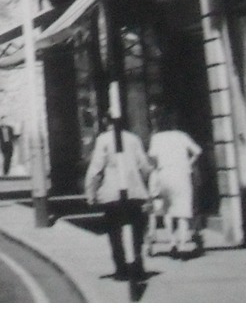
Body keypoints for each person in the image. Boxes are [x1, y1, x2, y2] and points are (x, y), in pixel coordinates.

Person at [84, 112, 152, 281]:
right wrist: (146, 187)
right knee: (137, 232)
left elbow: (96, 168)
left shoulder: (103, 140)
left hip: (112, 194)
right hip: (135, 192)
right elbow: (144, 166)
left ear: (107, 121)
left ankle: (121, 269)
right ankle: (138, 265)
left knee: (115, 233)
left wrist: (90, 193)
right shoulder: (134, 139)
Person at [147, 111, 203, 256]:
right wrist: (188, 164)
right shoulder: (181, 136)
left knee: (168, 210)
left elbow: (152, 158)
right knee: (183, 211)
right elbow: (197, 151)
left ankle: (172, 242)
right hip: (182, 174)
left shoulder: (156, 138)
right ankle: (183, 244)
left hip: (164, 174)